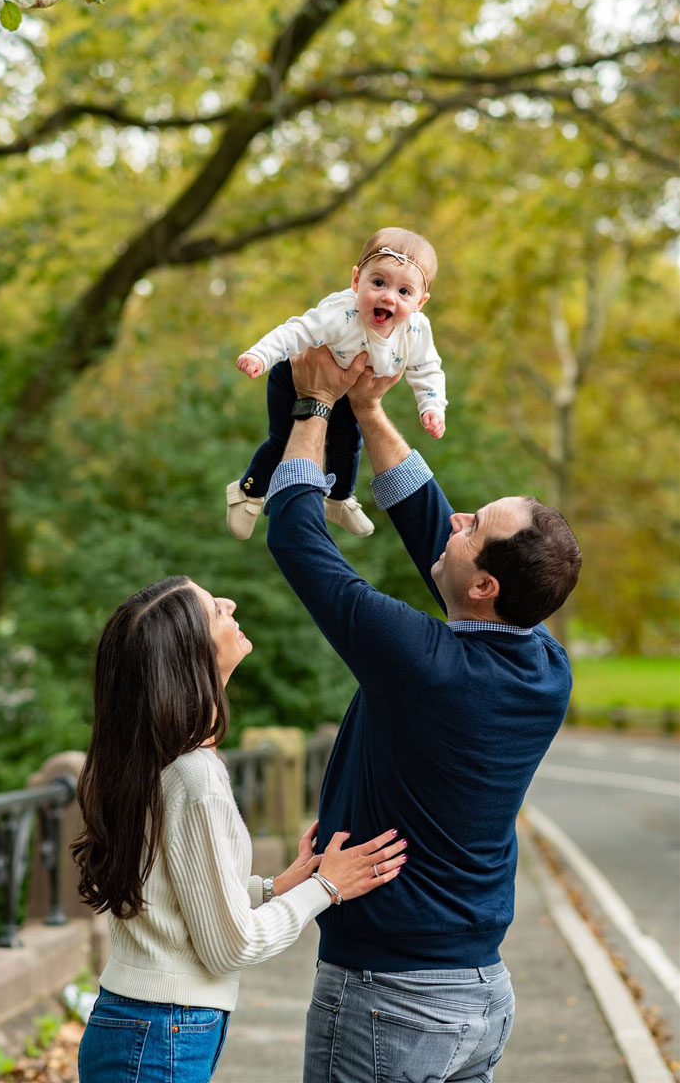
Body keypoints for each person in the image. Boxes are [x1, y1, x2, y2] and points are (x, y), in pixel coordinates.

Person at [262, 347, 582, 1083]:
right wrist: (371, 411)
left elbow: (297, 539)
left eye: (475, 527)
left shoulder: (422, 664)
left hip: (390, 1001)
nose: (457, 519)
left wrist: (314, 409)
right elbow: (433, 531)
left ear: (487, 586)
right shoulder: (545, 668)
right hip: (477, 996)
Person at [71, 575, 408, 1083]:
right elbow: (233, 946)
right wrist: (325, 888)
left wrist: (275, 887)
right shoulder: (194, 775)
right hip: (160, 1032)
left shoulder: (159, 759)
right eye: (213, 610)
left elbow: (174, 890)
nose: (229, 601)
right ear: (192, 657)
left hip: (146, 1025)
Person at [227, 226, 446, 541]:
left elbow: (428, 370)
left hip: (346, 390)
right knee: (282, 441)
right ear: (357, 280)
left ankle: (339, 499)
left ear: (420, 302)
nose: (387, 296)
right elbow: (295, 332)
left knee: (347, 444)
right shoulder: (341, 314)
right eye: (379, 282)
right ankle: (247, 492)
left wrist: (432, 406)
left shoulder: (416, 332)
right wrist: (261, 355)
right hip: (294, 377)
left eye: (404, 292)